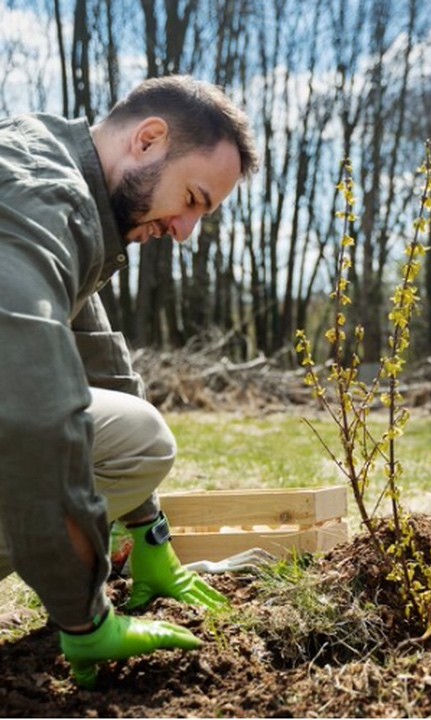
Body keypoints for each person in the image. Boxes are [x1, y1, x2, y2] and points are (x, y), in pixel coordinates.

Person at [0, 74, 259, 688]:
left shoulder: (55, 172)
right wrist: (86, 620)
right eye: (192, 199)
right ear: (148, 140)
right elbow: (36, 410)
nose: (184, 230)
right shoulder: (43, 200)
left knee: (134, 433)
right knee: (137, 435)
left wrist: (150, 531)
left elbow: (93, 355)